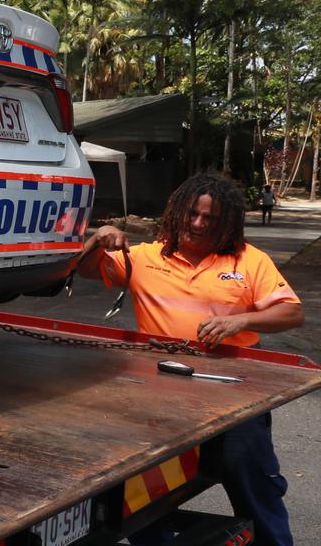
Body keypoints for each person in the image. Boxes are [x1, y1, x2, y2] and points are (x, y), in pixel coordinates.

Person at [77, 173, 304, 546]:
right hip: (160, 398)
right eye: (192, 215)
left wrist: (241, 319)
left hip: (235, 400)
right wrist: (98, 241)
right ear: (177, 212)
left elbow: (292, 313)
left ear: (226, 222)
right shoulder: (146, 257)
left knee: (255, 489)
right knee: (144, 498)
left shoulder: (250, 260)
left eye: (210, 219)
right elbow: (86, 269)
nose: (198, 225)